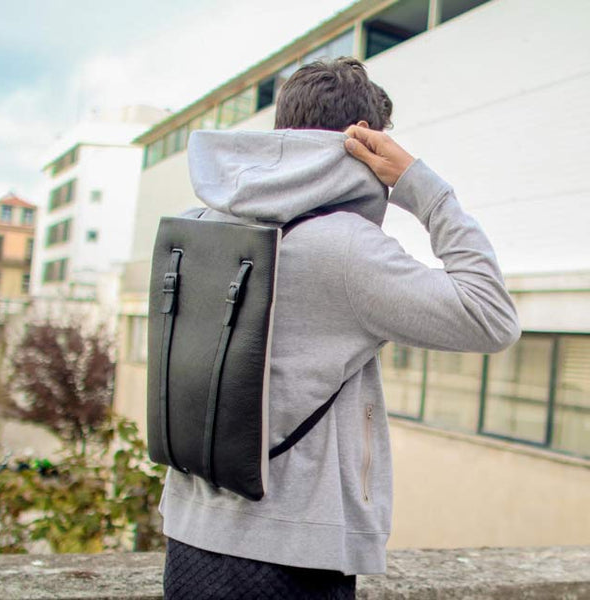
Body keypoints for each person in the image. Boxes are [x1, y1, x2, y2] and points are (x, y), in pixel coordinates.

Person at [161, 57, 521, 599]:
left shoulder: (201, 220)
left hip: (187, 539)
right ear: (364, 142)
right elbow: (492, 317)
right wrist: (424, 188)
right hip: (287, 556)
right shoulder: (346, 248)